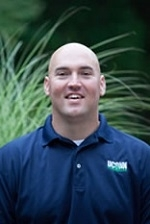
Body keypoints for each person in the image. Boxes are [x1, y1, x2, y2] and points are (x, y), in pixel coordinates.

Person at [0, 42, 150, 224]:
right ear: (47, 86)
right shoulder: (10, 160)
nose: (74, 83)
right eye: (63, 74)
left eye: (85, 74)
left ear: (101, 85)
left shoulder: (141, 158)